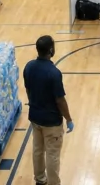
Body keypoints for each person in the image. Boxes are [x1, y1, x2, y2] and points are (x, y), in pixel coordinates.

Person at [23, 35, 74, 185]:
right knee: (52, 155)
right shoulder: (54, 73)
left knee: (38, 150)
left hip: (35, 117)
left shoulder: (29, 66)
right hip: (51, 122)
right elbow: (60, 100)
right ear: (51, 50)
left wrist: (33, 103)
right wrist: (69, 119)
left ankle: (40, 179)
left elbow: (28, 89)